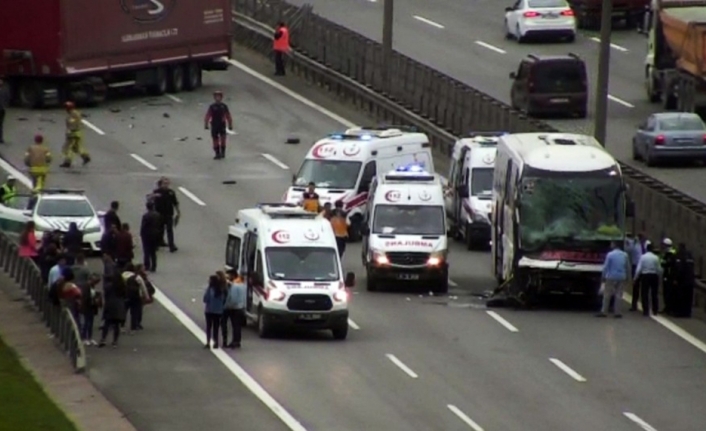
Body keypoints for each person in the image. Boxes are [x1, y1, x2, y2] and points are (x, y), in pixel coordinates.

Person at [597, 241, 631, 318]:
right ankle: (617, 312)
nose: (611, 245)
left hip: (611, 276)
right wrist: (628, 277)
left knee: (607, 294)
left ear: (615, 245)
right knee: (619, 294)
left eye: (612, 244)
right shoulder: (625, 255)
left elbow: (606, 267)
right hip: (621, 276)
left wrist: (603, 276)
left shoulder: (610, 254)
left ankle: (604, 311)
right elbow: (628, 267)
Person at [151, 177, 180, 252]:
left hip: (169, 214)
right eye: (164, 183)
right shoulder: (157, 192)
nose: (166, 185)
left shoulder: (171, 192)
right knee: (158, 229)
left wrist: (178, 212)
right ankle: (157, 243)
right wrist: (153, 197)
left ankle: (171, 245)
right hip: (159, 214)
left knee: (169, 230)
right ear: (161, 184)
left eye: (167, 183)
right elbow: (150, 201)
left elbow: (175, 203)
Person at [99, 273, 127, 348]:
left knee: (107, 323)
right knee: (116, 325)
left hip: (110, 305)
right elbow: (125, 295)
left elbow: (106, 294)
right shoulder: (122, 287)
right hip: (119, 306)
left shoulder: (109, 286)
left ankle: (103, 339)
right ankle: (115, 341)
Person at [634, 243, 662, 317]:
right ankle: (655, 309)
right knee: (654, 293)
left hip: (645, 276)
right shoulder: (656, 257)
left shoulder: (643, 257)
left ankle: (646, 310)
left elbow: (639, 268)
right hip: (654, 276)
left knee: (644, 293)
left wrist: (635, 277)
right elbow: (658, 268)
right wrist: (659, 276)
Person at [60, 101, 90, 168]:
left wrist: (69, 132)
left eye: (66, 108)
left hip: (74, 134)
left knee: (68, 148)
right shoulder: (74, 113)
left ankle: (67, 162)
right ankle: (85, 157)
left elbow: (72, 124)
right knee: (76, 148)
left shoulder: (73, 114)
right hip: (76, 133)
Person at [204, 90, 233, 160]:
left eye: (219, 97)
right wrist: (206, 124)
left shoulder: (224, 106)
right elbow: (208, 115)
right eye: (216, 97)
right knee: (215, 139)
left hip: (222, 124)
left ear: (221, 97)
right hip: (214, 124)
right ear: (214, 98)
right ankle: (217, 153)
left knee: (223, 138)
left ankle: (223, 152)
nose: (218, 98)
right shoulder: (212, 106)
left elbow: (228, 115)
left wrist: (230, 124)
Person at [222, 269, 246, 349]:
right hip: (240, 307)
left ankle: (235, 341)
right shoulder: (242, 283)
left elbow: (232, 298)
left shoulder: (235, 286)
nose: (227, 278)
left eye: (228, 276)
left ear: (232, 275)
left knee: (235, 325)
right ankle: (237, 341)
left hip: (234, 308)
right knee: (237, 326)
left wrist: (226, 306)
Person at [122, 263, 150, 332]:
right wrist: (147, 297)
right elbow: (143, 287)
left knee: (123, 311)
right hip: (135, 296)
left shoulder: (122, 275)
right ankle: (133, 328)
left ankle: (122, 326)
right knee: (134, 312)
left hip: (125, 296)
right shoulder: (137, 277)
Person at [203, 274, 225, 349]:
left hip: (209, 310)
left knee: (209, 327)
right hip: (218, 311)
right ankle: (216, 342)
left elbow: (205, 299)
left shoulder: (210, 289)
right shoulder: (220, 290)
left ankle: (208, 342)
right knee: (216, 327)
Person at [673, 243, 695, 318]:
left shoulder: (679, 255)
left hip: (682, 281)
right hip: (690, 280)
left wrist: (676, 278)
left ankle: (680, 312)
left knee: (680, 296)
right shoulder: (690, 255)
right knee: (688, 297)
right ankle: (687, 313)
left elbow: (679, 269)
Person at [80, 274, 102, 346]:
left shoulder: (91, 286)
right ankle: (84, 338)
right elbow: (85, 297)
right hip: (87, 307)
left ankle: (89, 337)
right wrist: (94, 300)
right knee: (87, 323)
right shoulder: (86, 286)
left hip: (91, 307)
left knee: (90, 323)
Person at [140, 201, 161, 272]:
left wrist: (141, 234)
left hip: (147, 234)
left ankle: (147, 265)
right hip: (155, 234)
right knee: (153, 252)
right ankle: (154, 266)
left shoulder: (145, 216)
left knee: (146, 251)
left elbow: (143, 226)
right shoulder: (157, 215)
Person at [660, 238, 678, 315]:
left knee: (668, 292)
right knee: (668, 292)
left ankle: (669, 308)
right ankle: (668, 307)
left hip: (669, 276)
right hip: (669, 275)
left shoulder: (669, 254)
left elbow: (665, 264)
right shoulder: (672, 252)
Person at [0, 77, 9, 143]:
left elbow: (7, 98)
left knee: (1, 124)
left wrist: (5, 106)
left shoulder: (4, 90)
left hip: (2, 109)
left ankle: (1, 138)